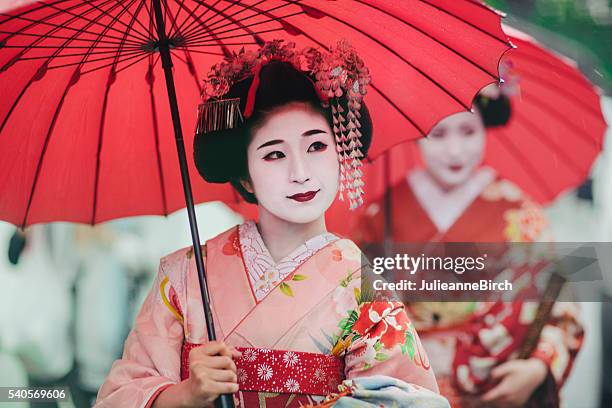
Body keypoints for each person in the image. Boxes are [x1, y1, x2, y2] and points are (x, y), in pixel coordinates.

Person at [95, 40, 449, 408]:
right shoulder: (183, 276)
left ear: (341, 153)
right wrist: (185, 394)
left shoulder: (363, 287)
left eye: (316, 146)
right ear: (245, 177)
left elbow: (410, 401)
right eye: (274, 154)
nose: (300, 173)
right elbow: (117, 397)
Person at [352, 87, 584, 407]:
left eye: (468, 131)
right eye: (439, 134)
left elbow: (559, 299)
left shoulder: (517, 212)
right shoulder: (381, 216)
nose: (455, 150)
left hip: (491, 385)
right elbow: (355, 310)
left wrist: (538, 367)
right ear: (417, 133)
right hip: (405, 387)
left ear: (486, 129)